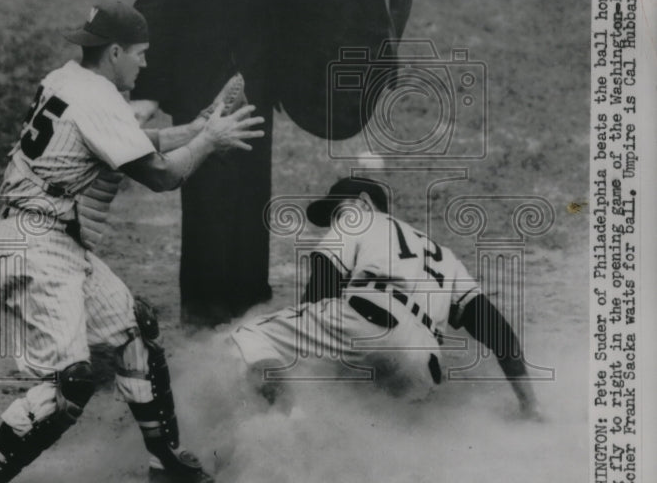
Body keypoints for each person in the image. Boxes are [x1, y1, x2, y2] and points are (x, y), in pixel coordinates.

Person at [0, 2, 264, 483]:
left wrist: (194, 127)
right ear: (115, 52)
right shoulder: (97, 99)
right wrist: (208, 141)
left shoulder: (70, 80)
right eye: (140, 55)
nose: (144, 64)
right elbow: (162, 176)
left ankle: (164, 462)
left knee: (133, 332)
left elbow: (135, 144)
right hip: (35, 248)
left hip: (52, 242)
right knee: (70, 380)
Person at [132, 0, 284, 327]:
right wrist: (149, 90)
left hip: (258, 69)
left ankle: (249, 302)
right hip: (205, 77)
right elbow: (158, 1)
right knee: (211, 194)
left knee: (253, 186)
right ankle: (205, 316)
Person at [229, 177, 541, 418]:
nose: (337, 220)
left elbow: (319, 296)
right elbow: (501, 334)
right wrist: (529, 405)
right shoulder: (444, 256)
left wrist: (293, 366)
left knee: (246, 336)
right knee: (373, 415)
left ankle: (285, 427)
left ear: (364, 202)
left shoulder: (357, 219)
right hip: (424, 365)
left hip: (371, 323)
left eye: (338, 210)